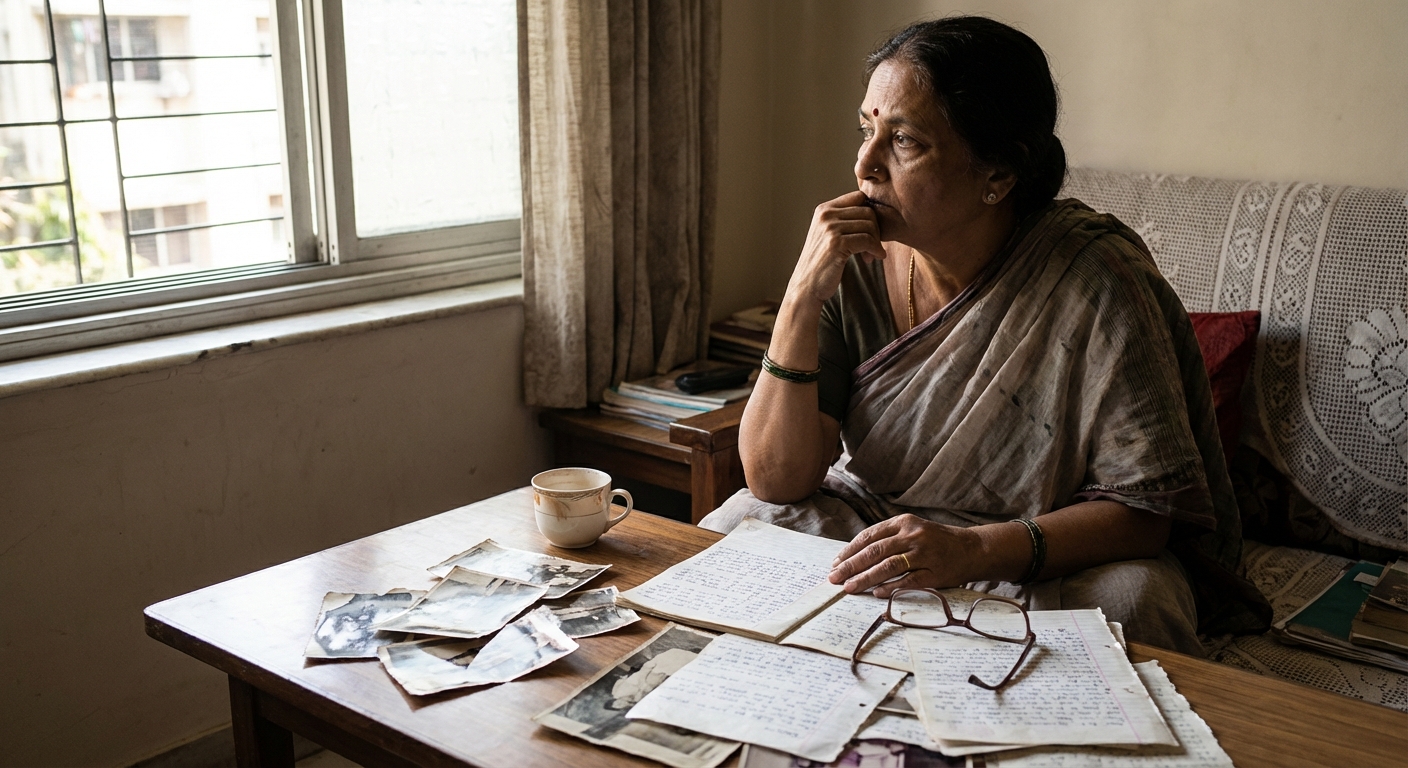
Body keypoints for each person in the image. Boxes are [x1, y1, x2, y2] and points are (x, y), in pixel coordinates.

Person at [700, 16, 1269, 654]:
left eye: (905, 141)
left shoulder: (1095, 280)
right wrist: (802, 297)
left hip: (1048, 547)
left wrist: (970, 550)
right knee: (745, 521)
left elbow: (1144, 515)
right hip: (884, 520)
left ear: (997, 176)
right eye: (867, 130)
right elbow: (777, 479)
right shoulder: (853, 263)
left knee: (1132, 602)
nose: (865, 165)